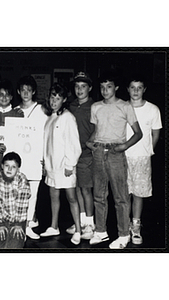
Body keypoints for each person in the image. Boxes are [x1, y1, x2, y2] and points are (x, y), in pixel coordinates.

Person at [86, 71, 143, 249]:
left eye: (109, 87)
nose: (105, 90)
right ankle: (101, 231)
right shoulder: (95, 107)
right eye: (102, 87)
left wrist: (123, 146)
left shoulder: (125, 106)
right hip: (98, 153)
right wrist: (90, 142)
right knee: (99, 195)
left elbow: (138, 133)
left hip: (115, 152)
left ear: (116, 88)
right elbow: (97, 130)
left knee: (121, 197)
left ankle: (124, 234)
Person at [40, 83, 82, 245]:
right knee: (53, 196)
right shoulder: (50, 118)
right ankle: (54, 226)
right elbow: (47, 143)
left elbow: (74, 144)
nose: (54, 101)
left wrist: (70, 165)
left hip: (65, 167)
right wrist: (45, 163)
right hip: (51, 166)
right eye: (52, 97)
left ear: (64, 100)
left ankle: (78, 230)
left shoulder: (68, 117)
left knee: (71, 198)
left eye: (58, 98)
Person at [125, 75, 162, 245]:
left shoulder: (153, 109)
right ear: (128, 89)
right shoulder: (122, 107)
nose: (136, 91)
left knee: (139, 193)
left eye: (139, 87)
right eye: (133, 87)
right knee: (124, 193)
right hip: (123, 156)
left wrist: (149, 150)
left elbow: (155, 132)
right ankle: (124, 226)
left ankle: (136, 225)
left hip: (141, 157)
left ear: (144, 89)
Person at [15, 75, 48, 240]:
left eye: (29, 90)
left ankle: (28, 224)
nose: (26, 93)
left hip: (36, 158)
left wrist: (45, 157)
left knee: (32, 193)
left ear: (33, 91)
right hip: (19, 160)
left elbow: (47, 134)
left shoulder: (42, 110)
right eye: (23, 90)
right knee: (18, 192)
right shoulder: (15, 111)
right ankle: (18, 224)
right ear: (18, 92)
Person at [68, 72, 95, 240]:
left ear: (90, 88)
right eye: (77, 86)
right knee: (77, 187)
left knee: (86, 189)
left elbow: (96, 131)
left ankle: (91, 224)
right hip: (72, 155)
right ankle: (82, 220)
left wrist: (88, 145)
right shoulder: (71, 106)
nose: (80, 90)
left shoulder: (94, 107)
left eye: (83, 86)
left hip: (86, 155)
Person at [0, 152, 31, 249]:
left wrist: (18, 223)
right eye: (7, 165)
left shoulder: (22, 179)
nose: (9, 169)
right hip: (1, 218)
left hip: (18, 219)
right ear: (2, 166)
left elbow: (22, 204)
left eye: (13, 167)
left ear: (18, 169)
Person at [0, 79, 24, 174]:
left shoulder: (18, 115)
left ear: (11, 97)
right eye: (1, 94)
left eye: (7, 94)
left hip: (14, 163)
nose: (4, 97)